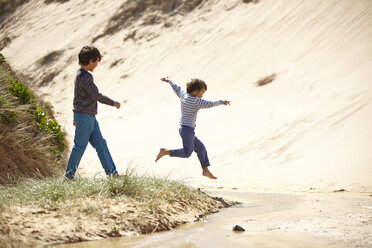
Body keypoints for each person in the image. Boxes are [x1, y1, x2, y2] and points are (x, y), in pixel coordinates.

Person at [155, 77, 230, 179]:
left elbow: (177, 88)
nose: (202, 96)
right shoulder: (196, 101)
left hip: (186, 130)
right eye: (202, 93)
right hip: (187, 131)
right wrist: (221, 102)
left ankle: (205, 170)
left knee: (201, 148)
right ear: (195, 91)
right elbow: (210, 104)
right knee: (187, 153)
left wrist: (169, 81)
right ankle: (165, 152)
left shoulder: (183, 95)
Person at [64, 46, 121, 179]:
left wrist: (75, 116)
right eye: (96, 62)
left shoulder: (80, 75)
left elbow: (76, 97)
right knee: (79, 148)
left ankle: (112, 173)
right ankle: (68, 177)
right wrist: (113, 103)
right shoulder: (85, 76)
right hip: (84, 118)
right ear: (90, 60)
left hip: (89, 118)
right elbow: (96, 95)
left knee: (101, 144)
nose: (96, 65)